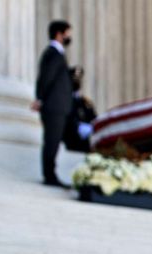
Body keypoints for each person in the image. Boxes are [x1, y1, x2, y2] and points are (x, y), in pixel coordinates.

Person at [32, 20, 74, 188]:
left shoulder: (56, 53)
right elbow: (46, 78)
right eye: (68, 33)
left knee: (54, 141)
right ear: (59, 34)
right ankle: (49, 175)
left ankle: (50, 173)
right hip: (54, 106)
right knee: (51, 141)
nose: (70, 37)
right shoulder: (53, 54)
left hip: (57, 106)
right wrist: (40, 99)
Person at [63, 66, 97, 153]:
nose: (76, 81)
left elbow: (94, 118)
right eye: (74, 79)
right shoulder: (64, 100)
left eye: (78, 79)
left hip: (85, 144)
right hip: (70, 142)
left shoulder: (85, 102)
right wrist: (78, 127)